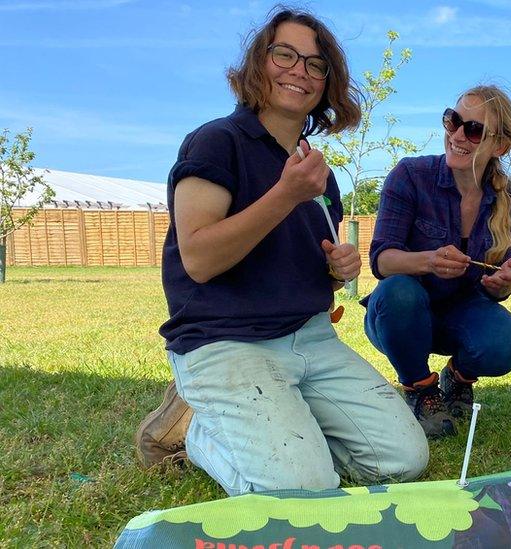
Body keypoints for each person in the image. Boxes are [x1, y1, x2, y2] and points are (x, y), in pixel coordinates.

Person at [134, 8, 428, 494]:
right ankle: (197, 430)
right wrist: (285, 194)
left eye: (316, 65)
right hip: (224, 339)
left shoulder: (317, 170)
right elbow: (200, 260)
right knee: (303, 491)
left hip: (310, 338)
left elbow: (307, 263)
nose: (300, 71)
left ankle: (277, 422)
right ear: (257, 64)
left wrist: (338, 269)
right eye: (285, 55)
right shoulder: (216, 142)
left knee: (403, 460)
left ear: (326, 84)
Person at [363, 85, 511, 438]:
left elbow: (501, 273)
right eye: (453, 121)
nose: (457, 135)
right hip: (398, 316)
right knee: (399, 292)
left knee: (503, 342)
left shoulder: (507, 196)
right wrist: (428, 261)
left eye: (474, 129)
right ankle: (420, 389)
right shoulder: (409, 176)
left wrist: (505, 284)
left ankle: (458, 377)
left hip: (460, 314)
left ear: (500, 145)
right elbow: (381, 261)